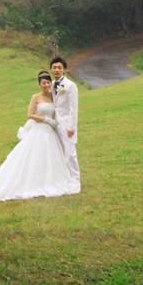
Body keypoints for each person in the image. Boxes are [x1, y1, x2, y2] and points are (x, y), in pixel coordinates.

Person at [0, 71, 77, 201]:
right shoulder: (35, 97)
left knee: (48, 158)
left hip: (51, 133)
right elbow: (30, 115)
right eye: (44, 83)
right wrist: (46, 120)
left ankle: (47, 181)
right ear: (39, 84)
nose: (46, 85)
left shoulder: (54, 96)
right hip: (39, 130)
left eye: (48, 82)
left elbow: (61, 109)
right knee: (33, 157)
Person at [50, 55, 81, 192]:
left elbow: (74, 108)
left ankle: (75, 179)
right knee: (59, 152)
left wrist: (72, 127)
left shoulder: (70, 85)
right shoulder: (50, 84)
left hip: (67, 124)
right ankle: (64, 178)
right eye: (54, 67)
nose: (57, 70)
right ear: (51, 69)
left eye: (59, 68)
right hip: (54, 124)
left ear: (64, 70)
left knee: (70, 153)